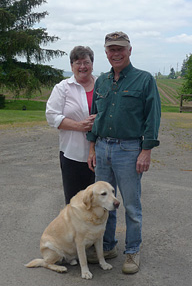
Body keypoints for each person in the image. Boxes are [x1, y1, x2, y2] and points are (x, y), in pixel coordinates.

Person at [87, 32, 161, 274]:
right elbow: (94, 116)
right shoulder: (102, 81)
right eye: (111, 49)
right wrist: (92, 147)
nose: (116, 53)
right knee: (104, 203)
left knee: (130, 205)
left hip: (129, 149)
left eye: (120, 48)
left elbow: (153, 117)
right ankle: (108, 247)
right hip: (102, 146)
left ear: (130, 50)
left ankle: (132, 252)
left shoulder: (144, 80)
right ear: (106, 53)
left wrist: (146, 151)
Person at [46, 46, 96, 205]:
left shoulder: (103, 85)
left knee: (98, 205)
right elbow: (51, 116)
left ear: (92, 64)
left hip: (102, 155)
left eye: (86, 62)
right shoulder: (62, 88)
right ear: (71, 66)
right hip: (72, 155)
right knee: (75, 204)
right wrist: (79, 126)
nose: (83, 66)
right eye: (78, 62)